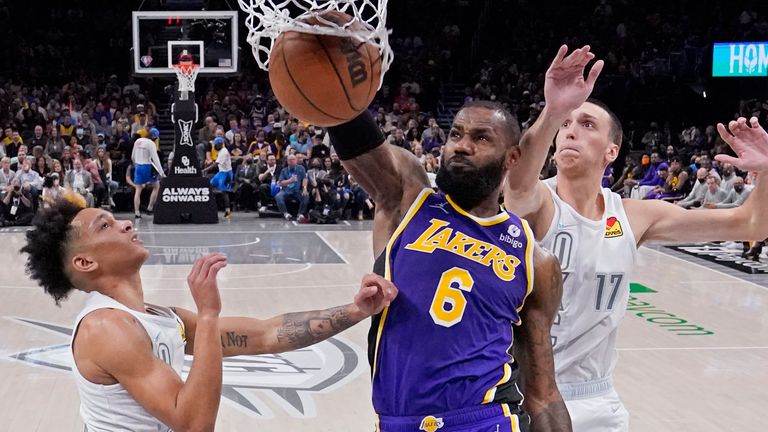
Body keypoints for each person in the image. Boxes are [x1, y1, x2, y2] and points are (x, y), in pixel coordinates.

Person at [503, 45, 768, 432]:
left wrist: (766, 169)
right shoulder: (540, 202)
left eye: (587, 124)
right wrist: (553, 112)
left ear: (612, 151)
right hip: (527, 393)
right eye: (566, 125)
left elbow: (751, 225)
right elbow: (517, 181)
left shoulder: (634, 216)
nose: (571, 131)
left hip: (598, 397)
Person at [20, 198, 397, 431]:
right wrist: (209, 313)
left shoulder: (156, 317)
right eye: (106, 225)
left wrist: (356, 310)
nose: (126, 223)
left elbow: (265, 335)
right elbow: (194, 425)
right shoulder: (106, 327)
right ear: (85, 262)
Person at [328, 103, 569, 430]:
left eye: (481, 138)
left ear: (512, 158)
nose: (462, 145)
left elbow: (542, 391)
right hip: (397, 422)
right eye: (455, 134)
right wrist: (332, 84)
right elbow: (360, 145)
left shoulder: (534, 258)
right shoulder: (408, 200)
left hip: (487, 419)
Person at [131, 137, 165, 218]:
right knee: (157, 186)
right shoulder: (151, 143)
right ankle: (150, 208)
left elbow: (133, 156)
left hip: (138, 166)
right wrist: (161, 172)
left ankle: (137, 212)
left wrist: (136, 165)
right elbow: (155, 158)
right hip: (147, 166)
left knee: (138, 190)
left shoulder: (137, 141)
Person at [206, 137, 234, 219]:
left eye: (216, 145)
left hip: (227, 174)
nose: (214, 146)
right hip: (221, 172)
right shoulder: (221, 151)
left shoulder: (224, 152)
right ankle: (210, 207)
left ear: (220, 145)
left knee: (224, 192)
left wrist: (205, 170)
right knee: (209, 185)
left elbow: (216, 164)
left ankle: (228, 211)